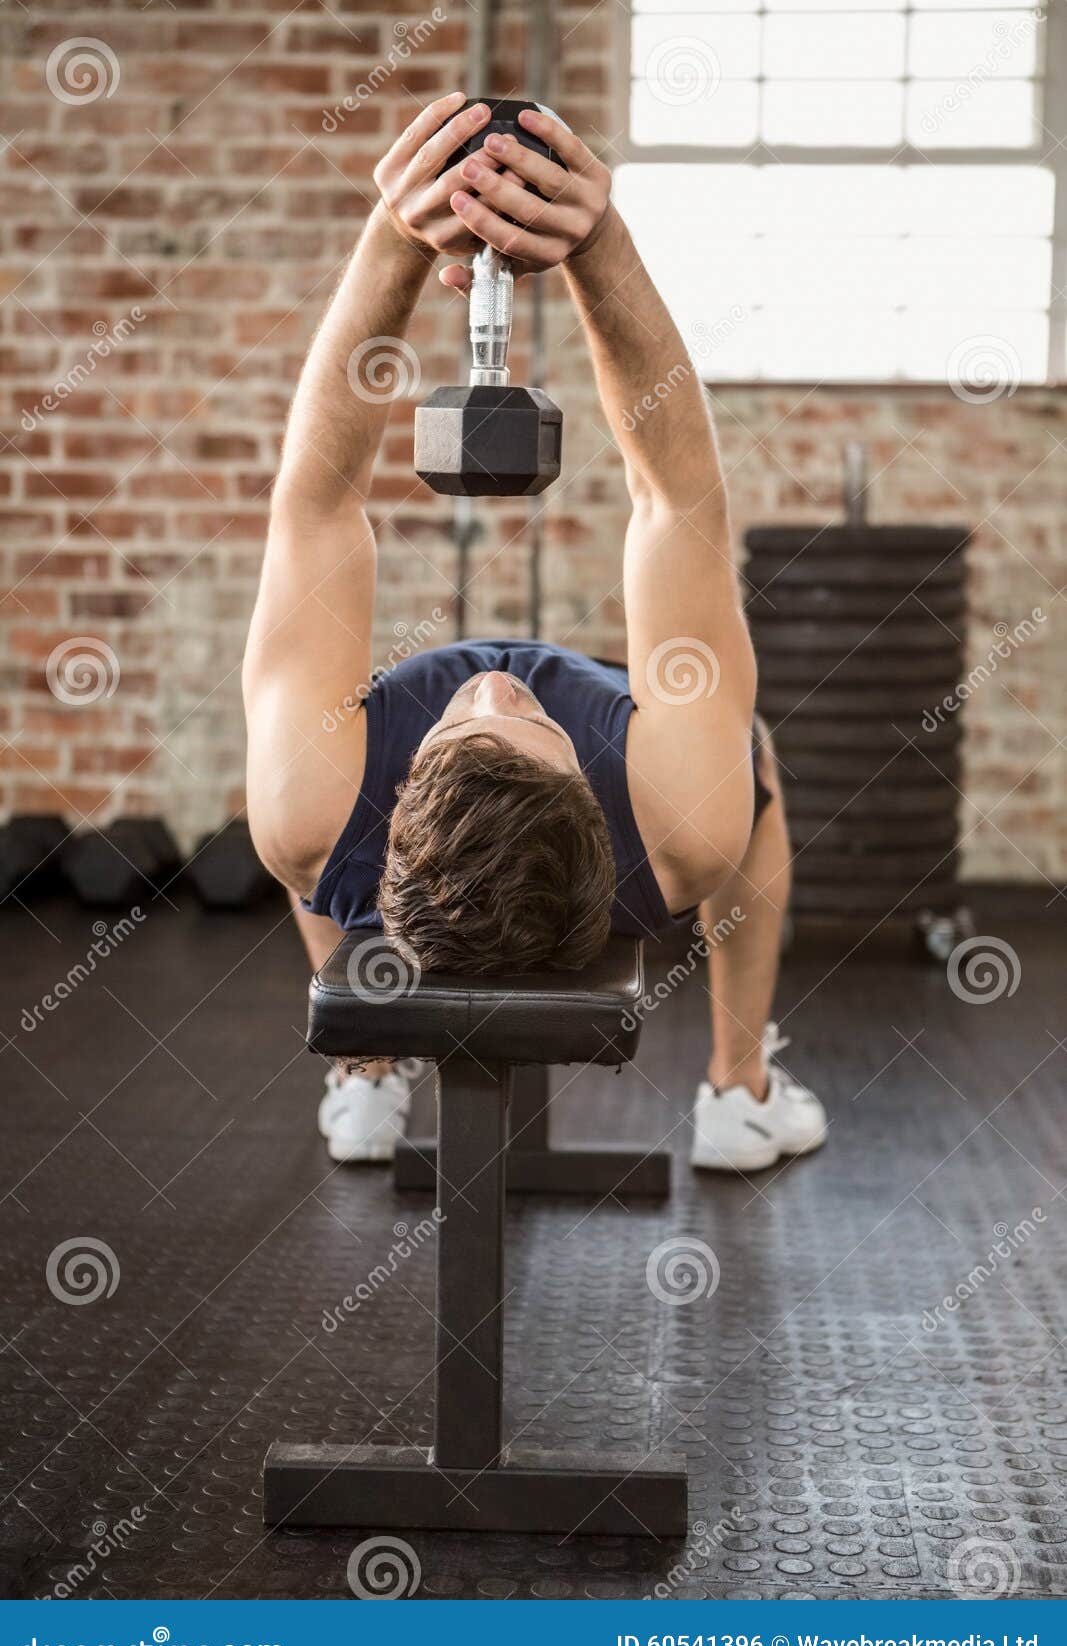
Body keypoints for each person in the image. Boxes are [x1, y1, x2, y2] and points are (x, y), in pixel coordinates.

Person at [242, 94, 826, 1173]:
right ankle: (738, 1092)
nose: (499, 688)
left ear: (403, 806)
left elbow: (316, 504)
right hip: (625, 807)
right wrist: (598, 245)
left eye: (472, 726)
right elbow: (677, 501)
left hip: (353, 808)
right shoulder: (670, 826)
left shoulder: (333, 811)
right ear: (588, 802)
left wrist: (395, 237)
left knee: (295, 813)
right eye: (534, 727)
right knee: (748, 767)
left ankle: (363, 1072)